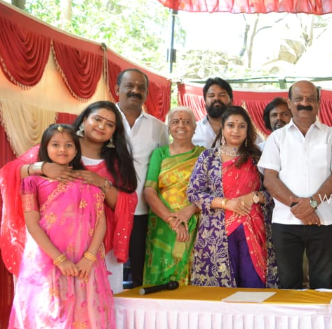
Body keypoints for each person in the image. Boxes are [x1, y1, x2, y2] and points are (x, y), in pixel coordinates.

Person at [4, 125, 117, 329]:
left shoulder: (88, 180)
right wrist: (59, 259)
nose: (62, 150)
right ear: (45, 148)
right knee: (48, 316)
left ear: (76, 149)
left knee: (79, 315)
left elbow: (100, 222)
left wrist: (89, 257)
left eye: (68, 145)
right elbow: (32, 223)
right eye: (55, 144)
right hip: (47, 260)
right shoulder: (33, 181)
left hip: (84, 261)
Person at [0, 101, 138, 293]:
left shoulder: (117, 162)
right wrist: (42, 167)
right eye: (97, 119)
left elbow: (126, 203)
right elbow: (9, 172)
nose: (101, 126)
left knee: (94, 301)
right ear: (84, 120)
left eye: (109, 124)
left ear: (115, 132)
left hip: (96, 246)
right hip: (52, 244)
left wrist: (102, 183)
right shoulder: (61, 146)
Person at [259, 81, 332, 289]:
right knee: (289, 283)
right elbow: (270, 179)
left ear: (318, 103)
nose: (304, 103)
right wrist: (298, 207)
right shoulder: (276, 138)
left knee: (323, 284)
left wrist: (312, 204)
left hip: (323, 221)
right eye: (299, 99)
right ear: (289, 102)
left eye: (310, 99)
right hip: (285, 222)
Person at [188, 106, 277, 288]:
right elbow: (194, 193)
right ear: (222, 128)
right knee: (221, 289)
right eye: (231, 125)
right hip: (216, 232)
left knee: (254, 284)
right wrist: (225, 203)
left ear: (248, 130)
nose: (236, 130)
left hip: (254, 228)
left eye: (241, 126)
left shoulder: (258, 158)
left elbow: (273, 193)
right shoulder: (208, 157)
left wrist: (254, 196)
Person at [114, 68, 169, 288]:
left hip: (141, 209)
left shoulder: (158, 127)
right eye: (129, 86)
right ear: (117, 89)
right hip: (106, 206)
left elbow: (165, 166)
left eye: (141, 87)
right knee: (107, 266)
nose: (135, 91)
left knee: (139, 268)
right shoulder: (102, 118)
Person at [142, 107, 204, 286]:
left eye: (187, 122)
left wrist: (189, 211)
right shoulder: (160, 154)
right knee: (161, 270)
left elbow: (210, 192)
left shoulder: (203, 155)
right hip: (162, 222)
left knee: (189, 268)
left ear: (194, 128)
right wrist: (173, 221)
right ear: (169, 128)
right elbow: (149, 191)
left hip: (193, 221)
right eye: (175, 122)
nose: (181, 126)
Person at [192, 77, 233, 148]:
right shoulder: (193, 130)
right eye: (211, 96)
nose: (216, 98)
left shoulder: (243, 130)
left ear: (231, 100)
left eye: (222, 95)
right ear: (205, 101)